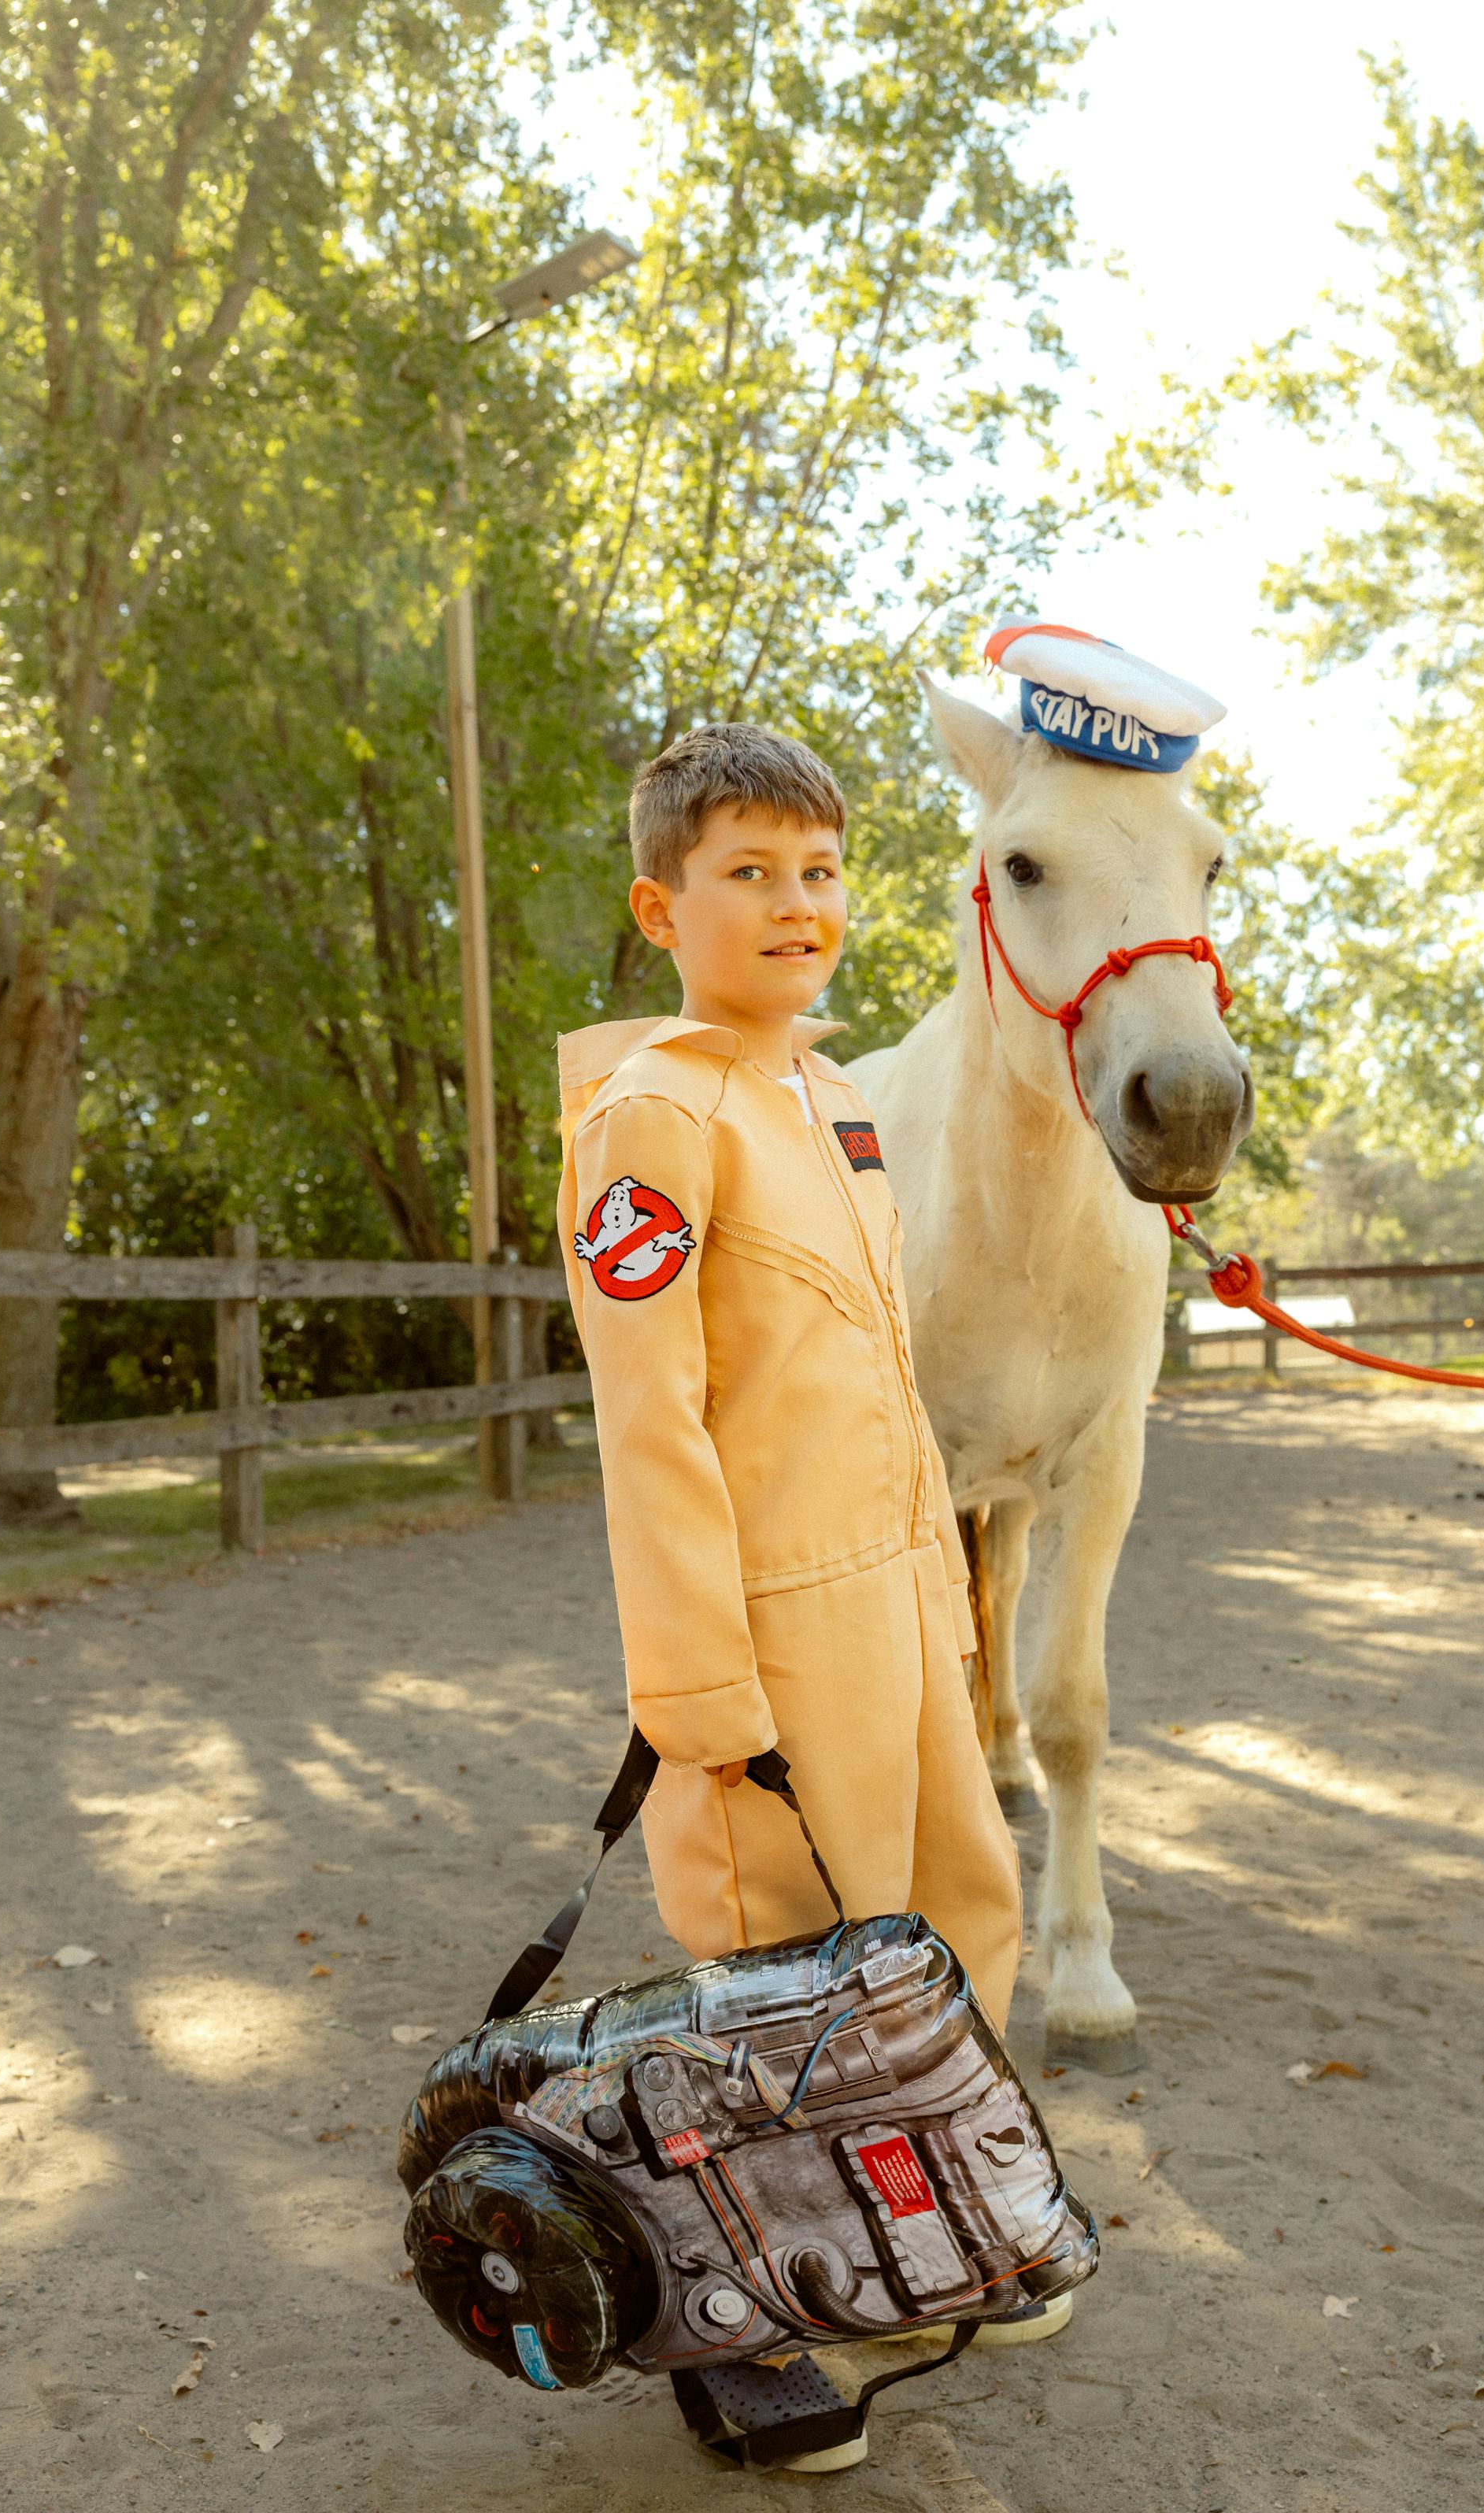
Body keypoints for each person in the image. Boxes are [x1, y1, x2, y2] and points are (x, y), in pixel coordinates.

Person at [556, 727, 1053, 2446]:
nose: (796, 904)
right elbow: (653, 1423)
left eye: (821, 871)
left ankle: (948, 2232)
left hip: (906, 1589)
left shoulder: (831, 1101)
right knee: (780, 1972)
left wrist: (953, 1599)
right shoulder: (649, 1118)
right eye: (749, 872)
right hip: (769, 1622)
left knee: (950, 1921)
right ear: (660, 905)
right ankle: (736, 2322)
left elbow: (876, 1367)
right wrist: (697, 1687)